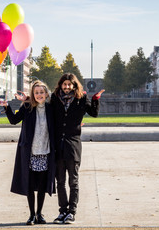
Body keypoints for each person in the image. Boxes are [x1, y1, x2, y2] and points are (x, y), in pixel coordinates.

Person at [0, 80, 56, 225]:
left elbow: (61, 121)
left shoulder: (51, 108)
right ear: (32, 94)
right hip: (29, 152)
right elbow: (14, 120)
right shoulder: (27, 107)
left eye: (41, 92)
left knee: (42, 185)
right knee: (29, 184)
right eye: (36, 93)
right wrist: (6, 107)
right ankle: (31, 215)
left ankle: (39, 214)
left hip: (45, 152)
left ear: (46, 94)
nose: (39, 95)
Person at [51, 73, 104, 224]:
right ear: (61, 85)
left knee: (73, 182)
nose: (67, 87)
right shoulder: (54, 98)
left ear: (74, 85)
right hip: (57, 146)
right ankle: (62, 211)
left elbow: (94, 113)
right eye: (64, 84)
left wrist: (95, 100)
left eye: (69, 84)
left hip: (73, 145)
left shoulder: (81, 98)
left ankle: (71, 212)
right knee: (60, 182)